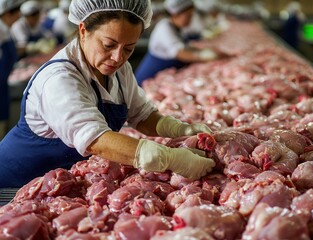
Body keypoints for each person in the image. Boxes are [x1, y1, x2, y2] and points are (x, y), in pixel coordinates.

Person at [0, 0, 215, 188]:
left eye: (128, 48)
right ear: (83, 31)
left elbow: (142, 115)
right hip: (16, 184)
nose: (117, 57)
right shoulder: (59, 79)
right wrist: (169, 158)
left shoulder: (120, 71)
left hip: (60, 184)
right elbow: (95, 139)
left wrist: (180, 129)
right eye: (108, 45)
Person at [134, 0, 220, 86]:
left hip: (166, 77)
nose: (190, 18)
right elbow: (179, 52)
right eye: (188, 15)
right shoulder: (164, 28)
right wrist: (205, 56)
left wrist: (204, 49)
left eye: (191, 15)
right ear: (175, 15)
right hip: (150, 77)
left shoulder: (178, 27)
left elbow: (185, 45)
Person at [0, 0, 24, 141]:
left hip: (3, 83)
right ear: (9, 13)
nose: (19, 15)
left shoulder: (5, 29)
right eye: (17, 11)